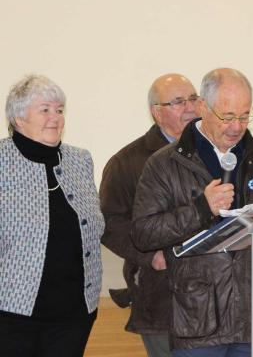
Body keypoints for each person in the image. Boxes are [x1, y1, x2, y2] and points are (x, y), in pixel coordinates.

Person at [132, 68, 253, 357]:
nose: (237, 127)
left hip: (252, 316)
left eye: (245, 116)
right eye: (227, 117)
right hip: (198, 319)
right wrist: (201, 209)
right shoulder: (165, 164)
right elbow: (143, 233)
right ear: (203, 108)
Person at [0, 74, 104, 357]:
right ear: (19, 118)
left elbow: (94, 227)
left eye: (59, 110)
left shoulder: (80, 160)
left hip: (74, 312)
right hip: (12, 313)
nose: (55, 118)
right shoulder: (1, 161)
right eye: (44, 110)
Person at [100, 73, 199, 357]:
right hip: (161, 293)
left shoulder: (218, 153)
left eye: (193, 98)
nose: (190, 107)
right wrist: (149, 256)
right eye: (179, 102)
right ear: (156, 112)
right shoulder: (127, 162)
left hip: (214, 298)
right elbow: (109, 222)